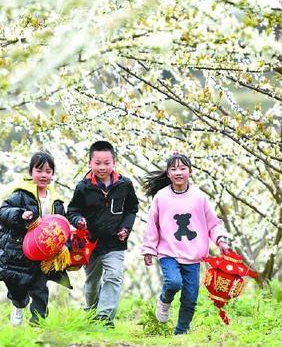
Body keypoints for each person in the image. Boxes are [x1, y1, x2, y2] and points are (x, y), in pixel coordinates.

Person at [140, 153, 231, 335]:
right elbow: (152, 225)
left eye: (182, 168)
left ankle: (181, 332)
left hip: (193, 255)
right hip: (169, 252)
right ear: (168, 174)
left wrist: (221, 239)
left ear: (190, 171)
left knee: (190, 298)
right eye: (173, 169)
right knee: (173, 283)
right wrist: (149, 249)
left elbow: (213, 223)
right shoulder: (161, 197)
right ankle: (164, 300)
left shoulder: (199, 197)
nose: (178, 172)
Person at [67, 141, 139, 327]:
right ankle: (91, 313)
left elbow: (132, 209)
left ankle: (104, 318)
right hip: (90, 244)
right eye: (97, 163)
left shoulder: (125, 184)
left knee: (114, 276)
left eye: (107, 163)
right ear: (90, 163)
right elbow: (72, 210)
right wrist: (79, 221)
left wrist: (126, 228)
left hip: (115, 242)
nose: (102, 167)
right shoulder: (83, 187)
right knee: (92, 283)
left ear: (114, 162)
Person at [0, 151, 70, 326]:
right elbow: (3, 212)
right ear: (31, 173)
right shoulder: (21, 194)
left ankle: (38, 323)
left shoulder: (56, 200)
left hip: (43, 253)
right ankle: (18, 306)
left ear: (52, 174)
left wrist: (65, 245)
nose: (44, 175)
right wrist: (21, 214)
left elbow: (61, 224)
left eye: (48, 171)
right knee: (19, 287)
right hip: (20, 250)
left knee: (40, 289)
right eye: (39, 170)